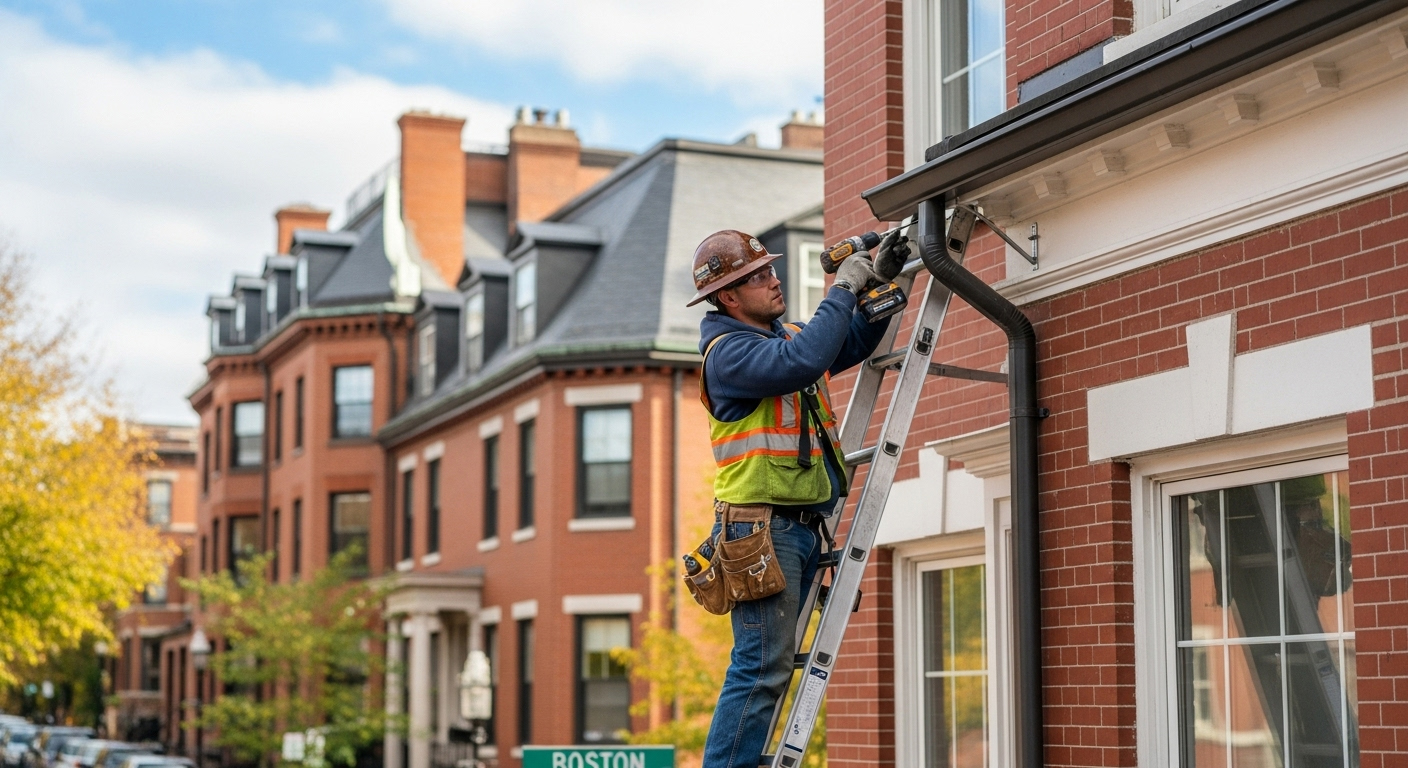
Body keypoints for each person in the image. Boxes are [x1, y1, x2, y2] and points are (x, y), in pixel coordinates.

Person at [687, 229, 903, 768]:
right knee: (760, 667)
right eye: (758, 276)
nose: (773, 278)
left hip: (797, 527)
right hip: (761, 529)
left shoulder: (779, 340)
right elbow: (803, 361)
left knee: (770, 666)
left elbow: (846, 342)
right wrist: (844, 288)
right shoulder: (729, 354)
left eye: (770, 269)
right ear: (729, 297)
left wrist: (880, 278)